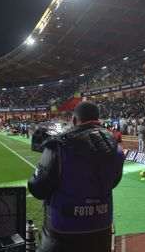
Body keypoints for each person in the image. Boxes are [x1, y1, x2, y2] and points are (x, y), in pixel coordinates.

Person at [28, 101, 125, 252]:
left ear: (74, 120)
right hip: (101, 230)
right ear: (98, 119)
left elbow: (37, 188)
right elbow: (114, 182)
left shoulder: (58, 147)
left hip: (62, 232)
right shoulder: (116, 151)